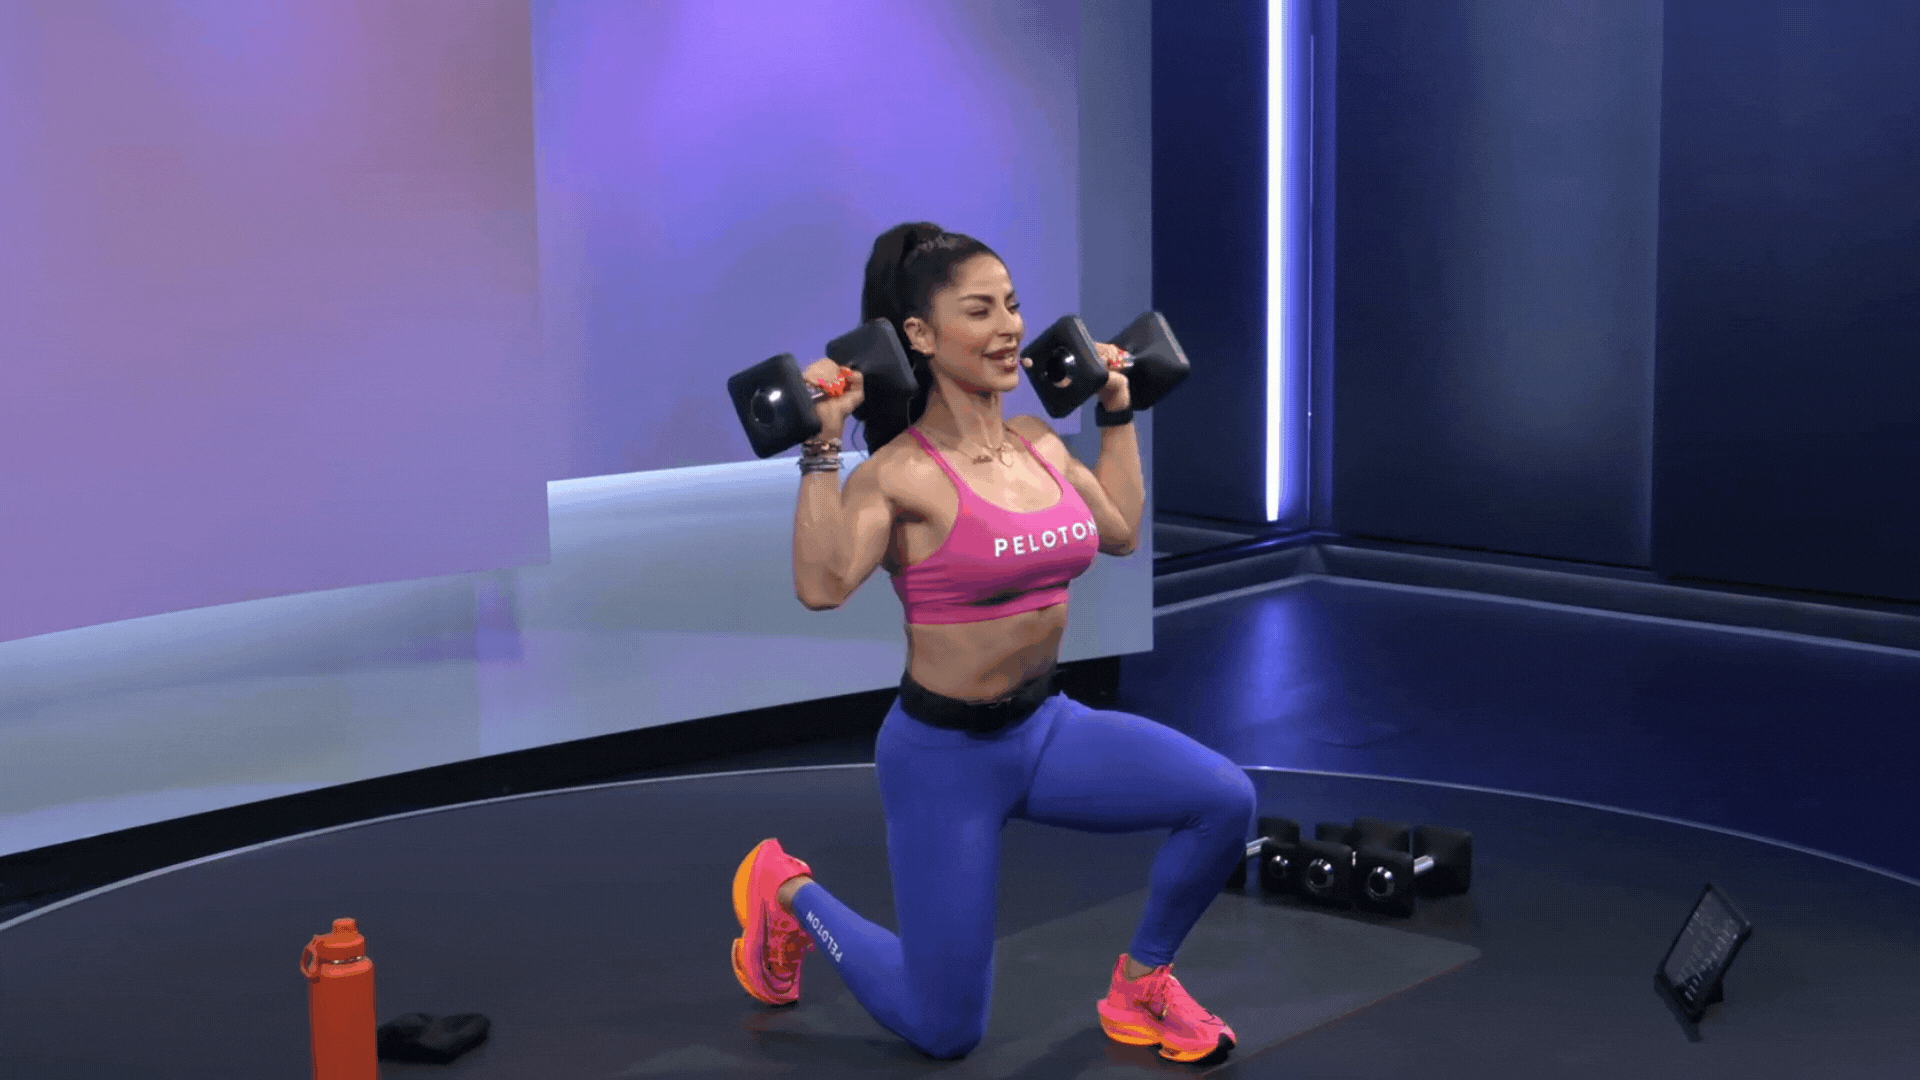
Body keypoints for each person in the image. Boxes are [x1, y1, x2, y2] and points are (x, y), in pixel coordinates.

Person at [729, 221, 1256, 1064]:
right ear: (921, 337)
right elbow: (823, 587)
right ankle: (784, 891)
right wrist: (822, 446)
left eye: (1012, 305)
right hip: (945, 761)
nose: (1010, 327)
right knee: (945, 1030)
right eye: (980, 310)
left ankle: (1141, 985)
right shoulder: (899, 473)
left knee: (1224, 800)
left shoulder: (1043, 446)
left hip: (1047, 731)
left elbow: (1117, 531)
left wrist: (1119, 416)